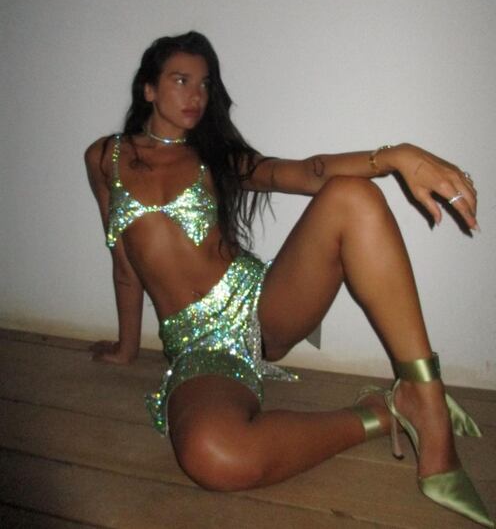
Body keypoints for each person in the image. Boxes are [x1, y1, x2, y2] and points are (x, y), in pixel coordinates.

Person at [85, 31, 493, 527]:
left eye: (205, 84)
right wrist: (127, 348)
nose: (196, 95)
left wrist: (395, 156)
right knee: (215, 454)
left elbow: (306, 172)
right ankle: (381, 412)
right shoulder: (105, 158)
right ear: (149, 88)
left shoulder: (213, 155)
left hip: (262, 305)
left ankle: (425, 395)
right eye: (181, 80)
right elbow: (124, 263)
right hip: (200, 349)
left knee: (351, 197)